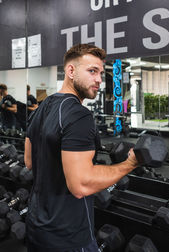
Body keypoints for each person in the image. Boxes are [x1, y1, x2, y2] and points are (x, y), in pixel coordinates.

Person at [24, 43, 138, 252]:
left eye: (101, 73)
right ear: (71, 71)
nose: (98, 80)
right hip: (69, 236)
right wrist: (130, 164)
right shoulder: (78, 115)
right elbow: (81, 185)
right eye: (92, 71)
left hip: (36, 228)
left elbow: (29, 162)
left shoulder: (41, 107)